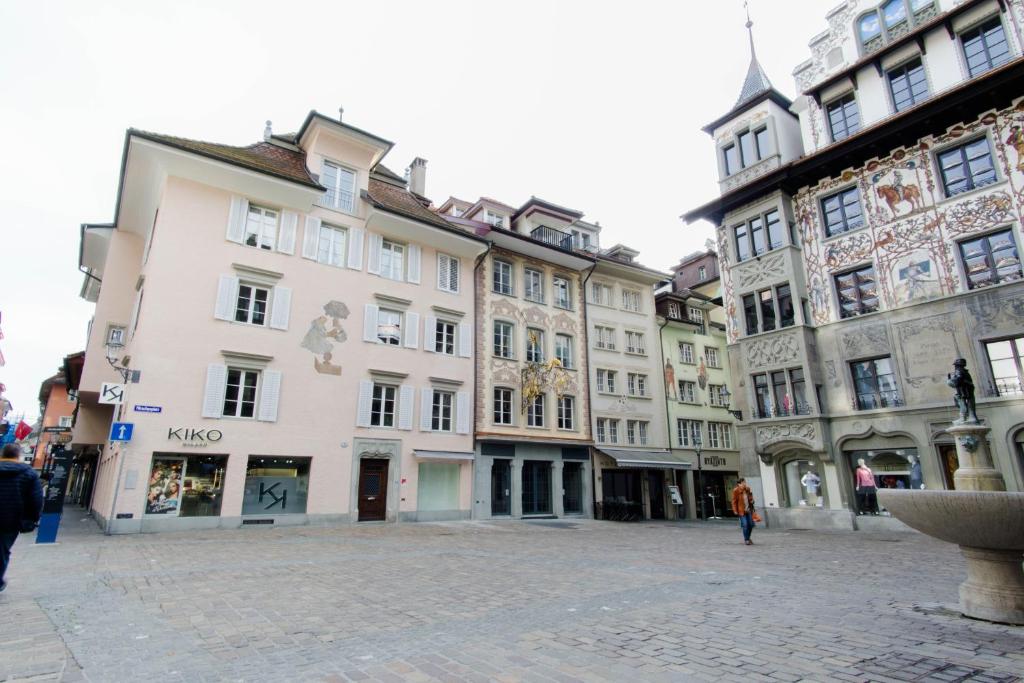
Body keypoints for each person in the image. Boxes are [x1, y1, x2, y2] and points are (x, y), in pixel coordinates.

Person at [0, 442, 44, 592]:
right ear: (19, 456)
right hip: (10, 521)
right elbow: (36, 500)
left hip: (10, 520)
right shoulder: (29, 473)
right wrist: (31, 520)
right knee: (2, 550)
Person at [730, 478, 756, 546]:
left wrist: (752, 501)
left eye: (745, 482)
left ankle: (748, 537)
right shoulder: (736, 490)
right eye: (743, 482)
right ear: (739, 484)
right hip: (741, 511)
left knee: (751, 525)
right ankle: (746, 540)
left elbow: (750, 497)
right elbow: (734, 501)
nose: (745, 483)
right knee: (745, 525)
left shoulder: (747, 489)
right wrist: (735, 510)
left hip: (748, 510)